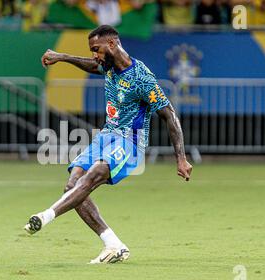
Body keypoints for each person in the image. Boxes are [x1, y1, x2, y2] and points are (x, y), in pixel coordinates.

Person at [24, 25, 193, 264]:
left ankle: (46, 215)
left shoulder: (141, 77)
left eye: (96, 49)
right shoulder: (108, 65)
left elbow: (169, 115)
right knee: (71, 185)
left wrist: (181, 157)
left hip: (130, 142)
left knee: (93, 174)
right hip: (106, 136)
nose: (95, 54)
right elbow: (94, 66)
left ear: (112, 44)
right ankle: (113, 244)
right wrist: (62, 57)